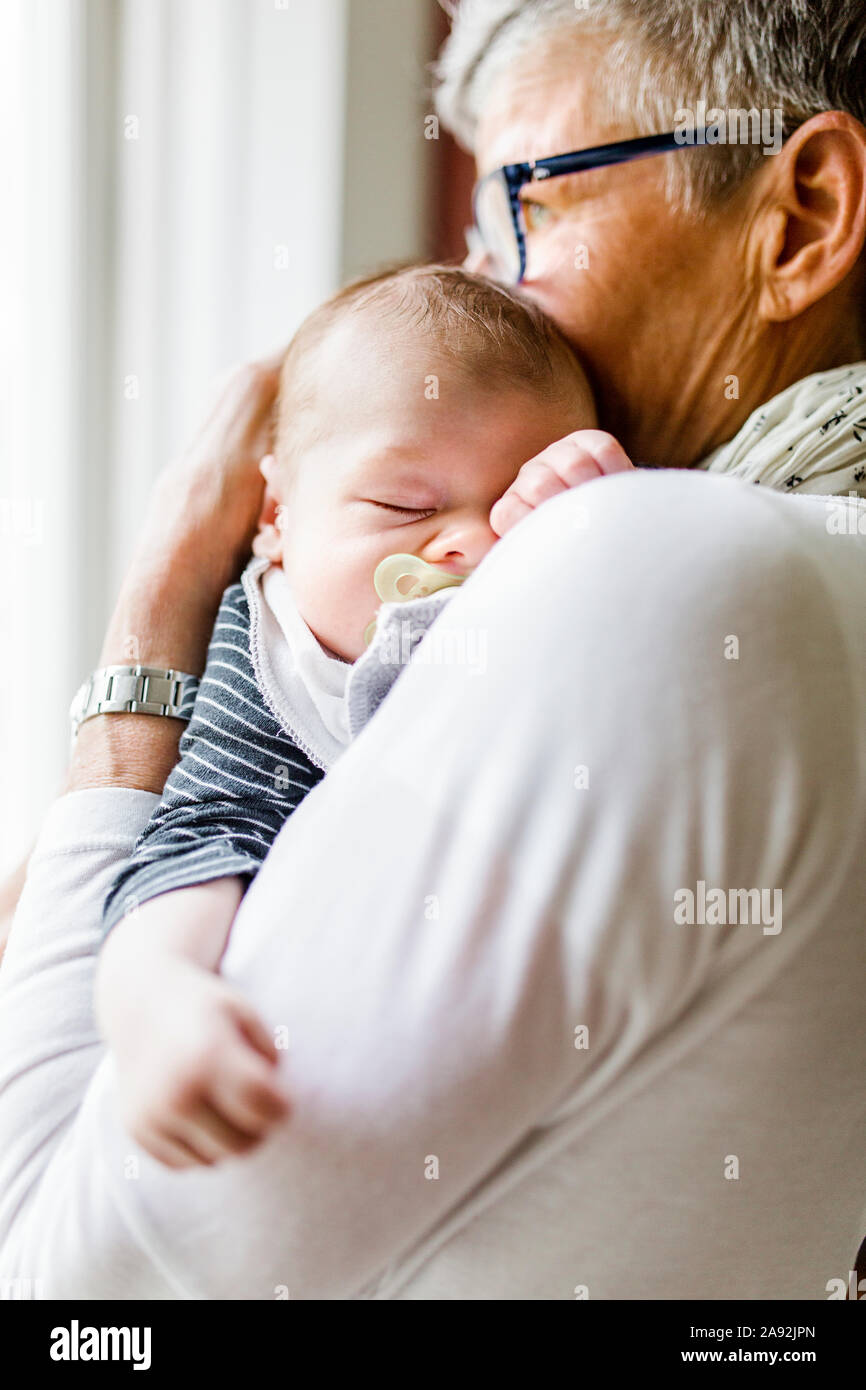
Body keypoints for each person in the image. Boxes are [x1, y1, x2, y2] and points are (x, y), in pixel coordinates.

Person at [1, 0, 865, 1300]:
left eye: (527, 202)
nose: (485, 290)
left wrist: (157, 608)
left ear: (798, 215)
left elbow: (65, 1283)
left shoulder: (652, 568)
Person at [96, 263, 624, 1170]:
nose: (469, 542)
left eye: (513, 506)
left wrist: (599, 526)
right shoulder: (274, 654)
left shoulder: (532, 613)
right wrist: (157, 987)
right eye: (402, 506)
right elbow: (198, 835)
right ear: (276, 517)